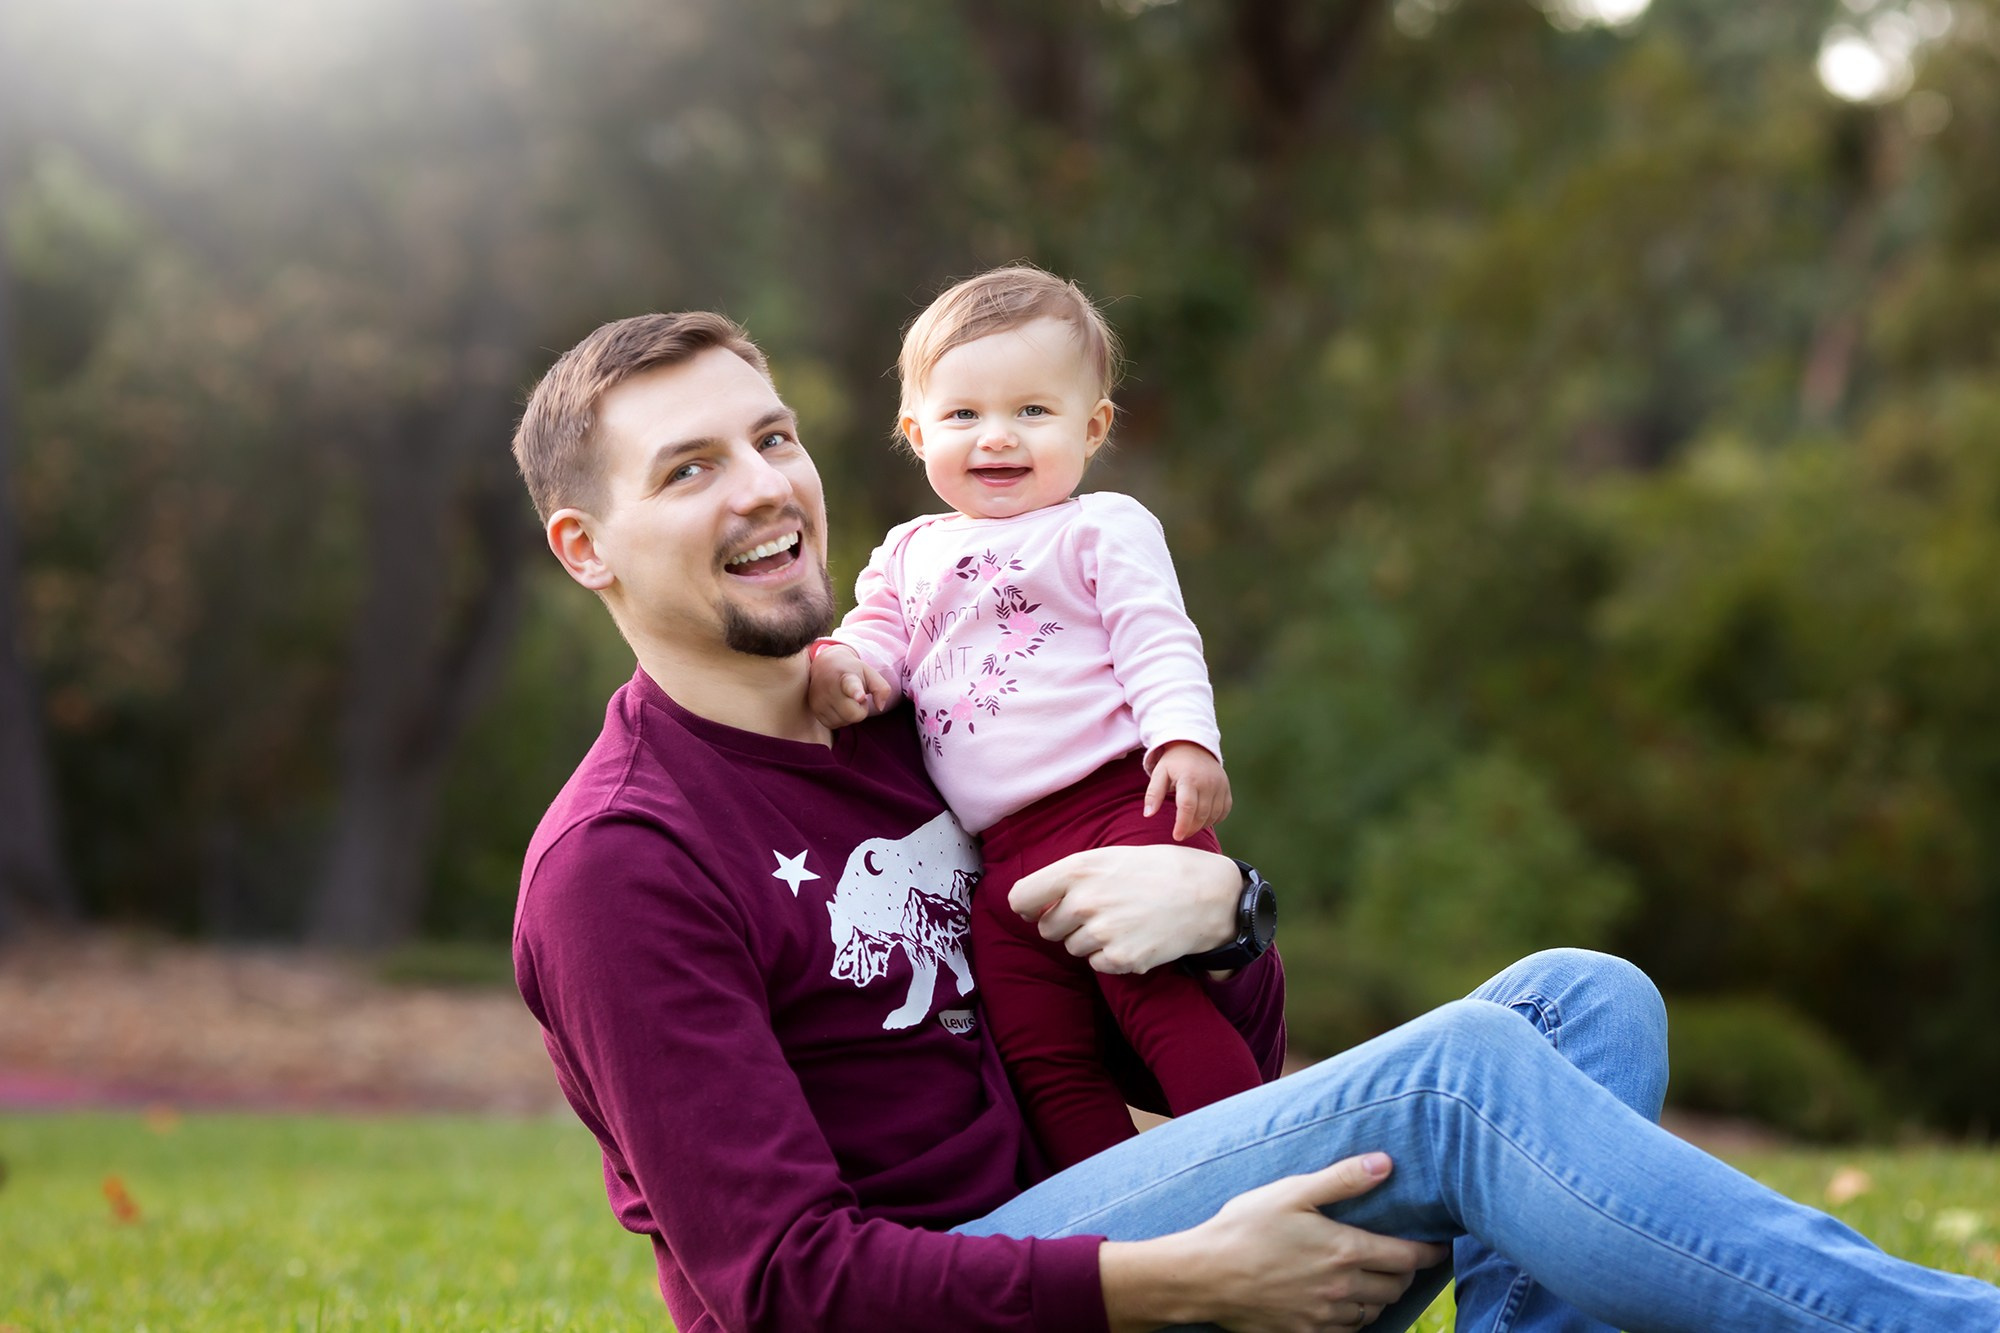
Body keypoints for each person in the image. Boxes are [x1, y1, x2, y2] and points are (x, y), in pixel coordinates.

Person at [509, 308, 2000, 1333]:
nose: (764, 489)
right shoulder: (622, 863)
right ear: (586, 548)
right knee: (1467, 1075)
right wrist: (1169, 1281)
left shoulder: (923, 722)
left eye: (773, 438)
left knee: (1583, 1002)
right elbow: (783, 1290)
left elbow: (1191, 1041)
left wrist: (1228, 918)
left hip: (1092, 1213)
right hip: (1014, 1294)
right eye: (690, 470)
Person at [806, 266, 1260, 1170]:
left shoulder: (1098, 528)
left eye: (1033, 411)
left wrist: (1183, 737)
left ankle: (1263, 1162)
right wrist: (841, 668)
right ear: (916, 432)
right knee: (1039, 1052)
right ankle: (1125, 1210)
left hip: (1116, 809)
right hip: (1002, 857)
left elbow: (1156, 635)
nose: (997, 436)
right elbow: (878, 642)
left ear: (1092, 427)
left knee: (1151, 997)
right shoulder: (908, 550)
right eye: (963, 414)